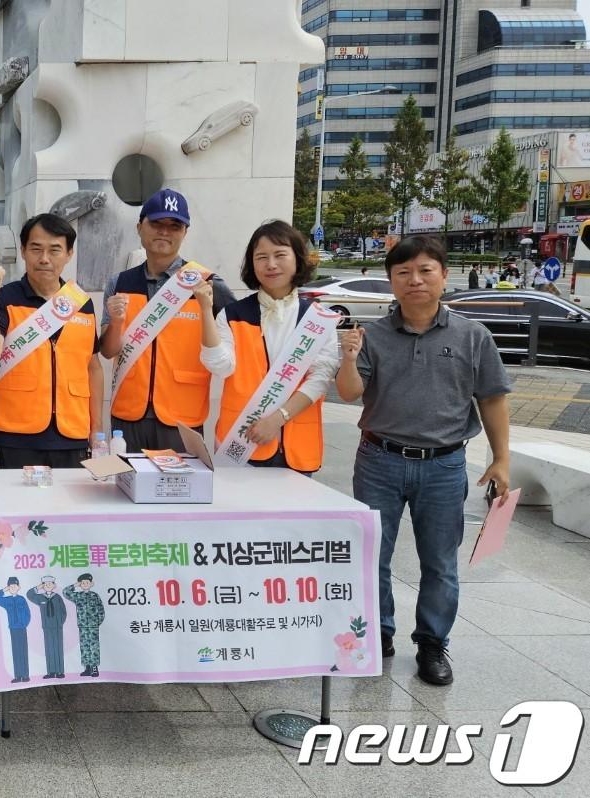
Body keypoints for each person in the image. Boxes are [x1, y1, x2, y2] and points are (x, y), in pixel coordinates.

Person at [336, 235, 511, 687]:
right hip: (379, 459)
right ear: (391, 281)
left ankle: (432, 644)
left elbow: (491, 400)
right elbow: (350, 393)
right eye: (403, 273)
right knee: (372, 555)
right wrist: (349, 358)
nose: (414, 280)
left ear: (444, 276)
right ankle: (379, 633)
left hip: (445, 465)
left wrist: (501, 459)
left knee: (439, 561)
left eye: (424, 271)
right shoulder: (372, 335)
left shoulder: (473, 337)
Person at [99, 188, 235, 453]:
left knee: (177, 493)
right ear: (140, 227)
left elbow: (235, 343)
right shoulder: (120, 283)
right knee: (124, 489)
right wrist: (116, 322)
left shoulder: (207, 284)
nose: (164, 232)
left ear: (185, 232)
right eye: (156, 224)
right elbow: (107, 351)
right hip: (127, 416)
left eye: (174, 226)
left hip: (182, 418)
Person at [202, 221, 339, 473]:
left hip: (296, 448)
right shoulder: (233, 314)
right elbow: (221, 366)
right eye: (261, 257)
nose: (271, 264)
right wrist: (205, 309)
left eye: (280, 255)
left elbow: (320, 379)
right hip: (242, 442)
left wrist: (278, 418)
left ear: (297, 259)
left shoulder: (319, 319)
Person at [0, 213, 102, 468]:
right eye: (36, 249)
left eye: (55, 250)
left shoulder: (81, 302)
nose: (44, 259)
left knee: (67, 508)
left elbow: (92, 366)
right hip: (17, 432)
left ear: (69, 254)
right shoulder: (5, 298)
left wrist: (96, 428)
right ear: (23, 251)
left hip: (73, 432)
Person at [0, 577, 31, 683]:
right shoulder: (7, 600)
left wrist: (24, 623)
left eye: (15, 586)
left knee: (23, 651)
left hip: (22, 628)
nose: (13, 588)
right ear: (9, 587)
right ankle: (18, 676)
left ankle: (25, 675)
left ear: (19, 587)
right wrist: (4, 590)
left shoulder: (22, 599)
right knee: (16, 651)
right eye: (11, 586)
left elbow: (28, 613)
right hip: (13, 628)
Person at [63, 574, 105, 677]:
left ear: (91, 584)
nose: (85, 584)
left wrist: (97, 621)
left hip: (93, 625)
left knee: (94, 647)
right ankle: (87, 668)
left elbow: (101, 610)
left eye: (87, 582)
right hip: (82, 626)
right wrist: (75, 585)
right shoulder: (78, 596)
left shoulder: (94, 596)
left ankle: (94, 668)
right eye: (82, 583)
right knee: (84, 647)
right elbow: (65, 592)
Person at [26, 576, 67, 679]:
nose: (48, 586)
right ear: (43, 586)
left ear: (54, 585)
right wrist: (38, 587)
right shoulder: (40, 598)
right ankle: (51, 672)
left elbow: (63, 611)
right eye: (45, 584)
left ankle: (60, 672)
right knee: (49, 648)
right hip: (47, 626)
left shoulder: (57, 597)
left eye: (50, 584)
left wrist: (60, 622)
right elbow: (29, 594)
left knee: (58, 648)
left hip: (57, 626)